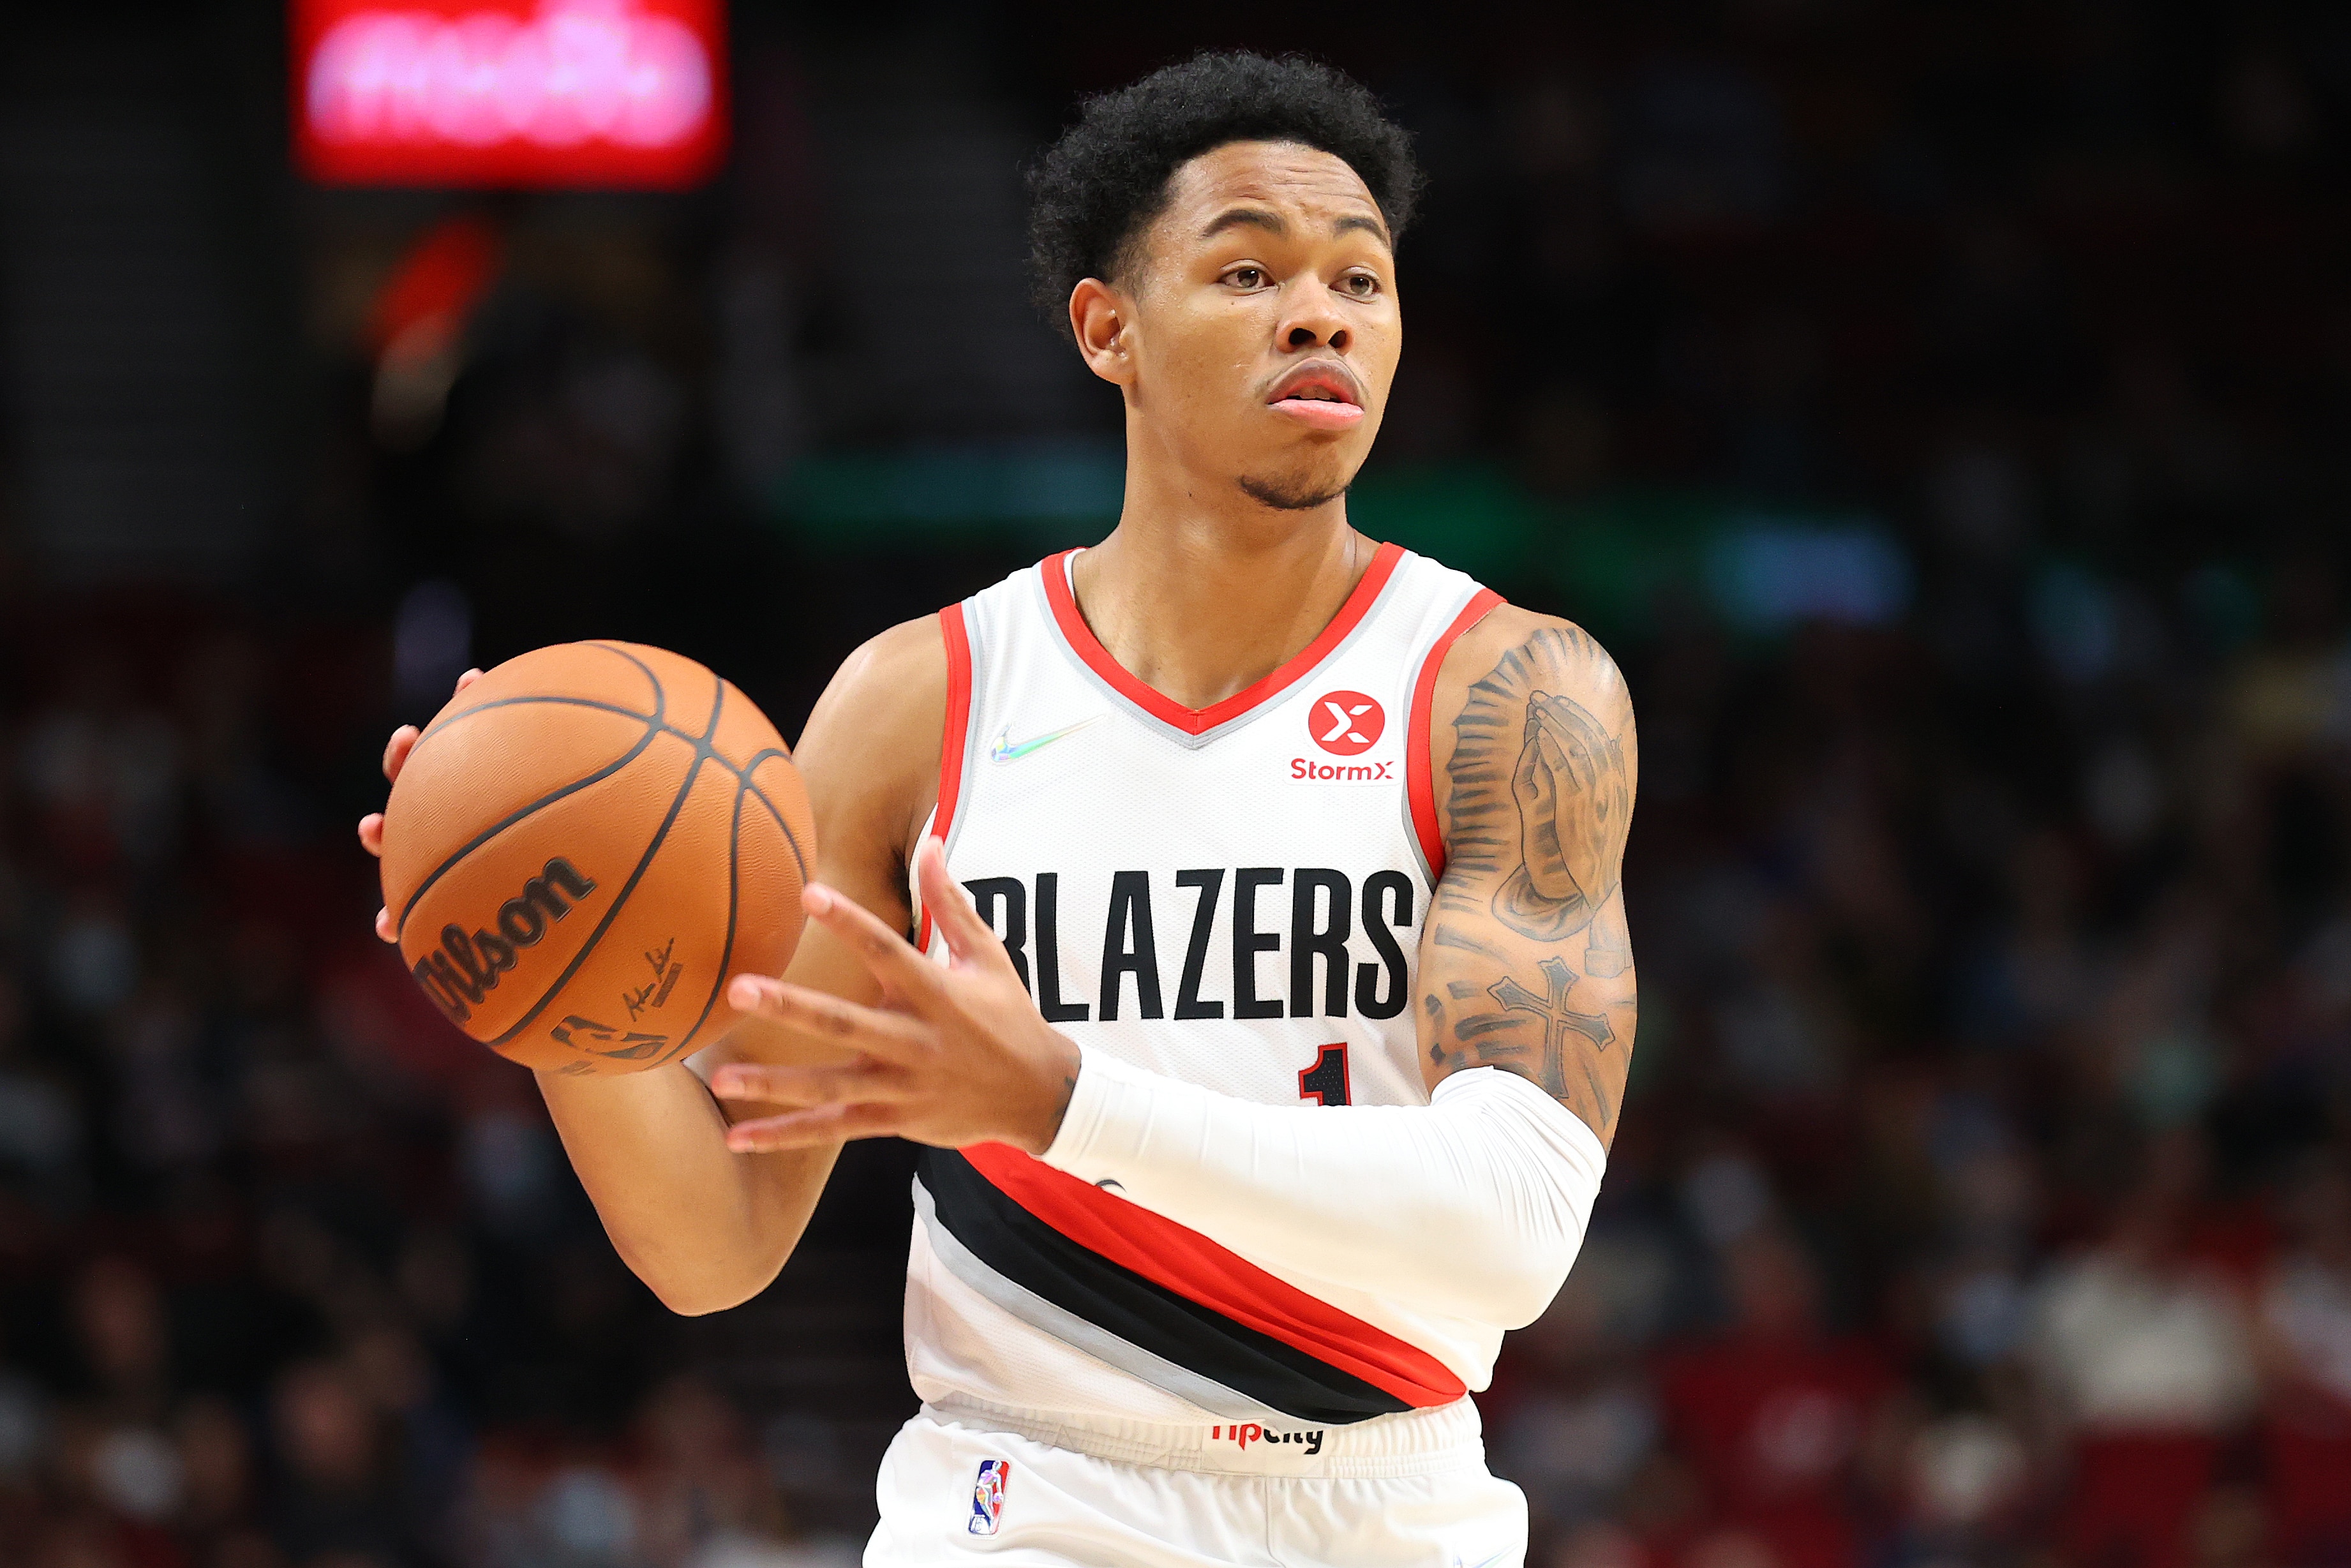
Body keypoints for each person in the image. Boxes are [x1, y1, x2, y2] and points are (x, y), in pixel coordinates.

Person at [359, 52, 1638, 1568]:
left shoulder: (1511, 691)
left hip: (1375, 1496)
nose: (1322, 312)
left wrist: (1057, 1100)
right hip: (1014, 1498)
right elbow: (720, 1239)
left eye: (1362, 278)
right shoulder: (921, 700)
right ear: (1110, 328)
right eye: (1248, 269)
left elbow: (1512, 1230)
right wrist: (564, 1001)